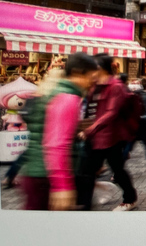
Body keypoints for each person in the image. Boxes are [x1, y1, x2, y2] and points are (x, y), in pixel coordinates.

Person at [20, 53, 98, 210]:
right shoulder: (68, 97)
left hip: (37, 173)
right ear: (77, 73)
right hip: (45, 177)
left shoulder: (53, 89)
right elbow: (57, 144)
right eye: (91, 77)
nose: (92, 83)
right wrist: (61, 185)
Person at [77, 54, 137, 211]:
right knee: (87, 172)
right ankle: (84, 204)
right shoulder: (94, 85)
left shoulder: (116, 86)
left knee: (117, 170)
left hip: (110, 138)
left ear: (101, 68)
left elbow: (111, 112)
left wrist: (90, 129)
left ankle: (130, 198)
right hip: (94, 137)